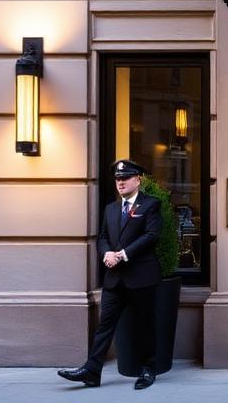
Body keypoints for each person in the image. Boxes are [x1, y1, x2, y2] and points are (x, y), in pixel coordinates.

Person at [58, 159, 162, 390]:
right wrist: (106, 254)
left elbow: (151, 236)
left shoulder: (151, 204)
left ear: (138, 180)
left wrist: (122, 254)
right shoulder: (111, 208)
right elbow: (103, 236)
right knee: (105, 325)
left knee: (145, 325)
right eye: (117, 179)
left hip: (141, 277)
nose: (120, 182)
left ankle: (148, 369)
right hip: (114, 279)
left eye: (125, 178)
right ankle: (92, 371)